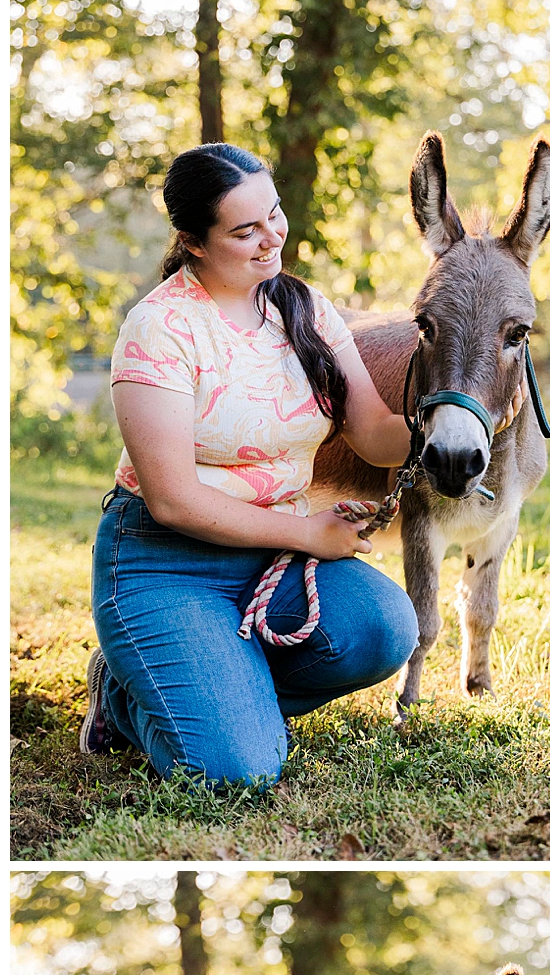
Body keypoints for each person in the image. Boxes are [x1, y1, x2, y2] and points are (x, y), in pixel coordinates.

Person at [84, 142, 420, 786]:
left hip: (273, 562)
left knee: (382, 629)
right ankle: (127, 697)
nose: (271, 239)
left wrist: (456, 418)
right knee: (234, 773)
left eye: (274, 214)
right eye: (244, 231)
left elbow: (376, 433)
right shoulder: (161, 328)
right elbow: (174, 500)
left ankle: (220, 691)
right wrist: (309, 533)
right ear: (194, 242)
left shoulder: (306, 309)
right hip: (167, 562)